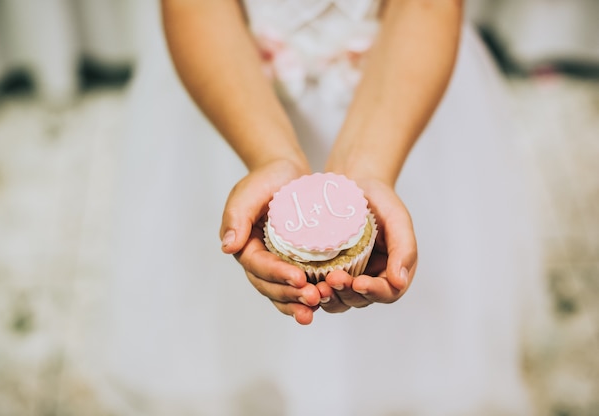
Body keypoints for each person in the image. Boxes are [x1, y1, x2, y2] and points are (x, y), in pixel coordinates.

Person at [99, 1, 544, 415]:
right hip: (230, 87)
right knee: (226, 335)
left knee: (415, 346)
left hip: (399, 90)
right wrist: (271, 157)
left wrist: (369, 166)